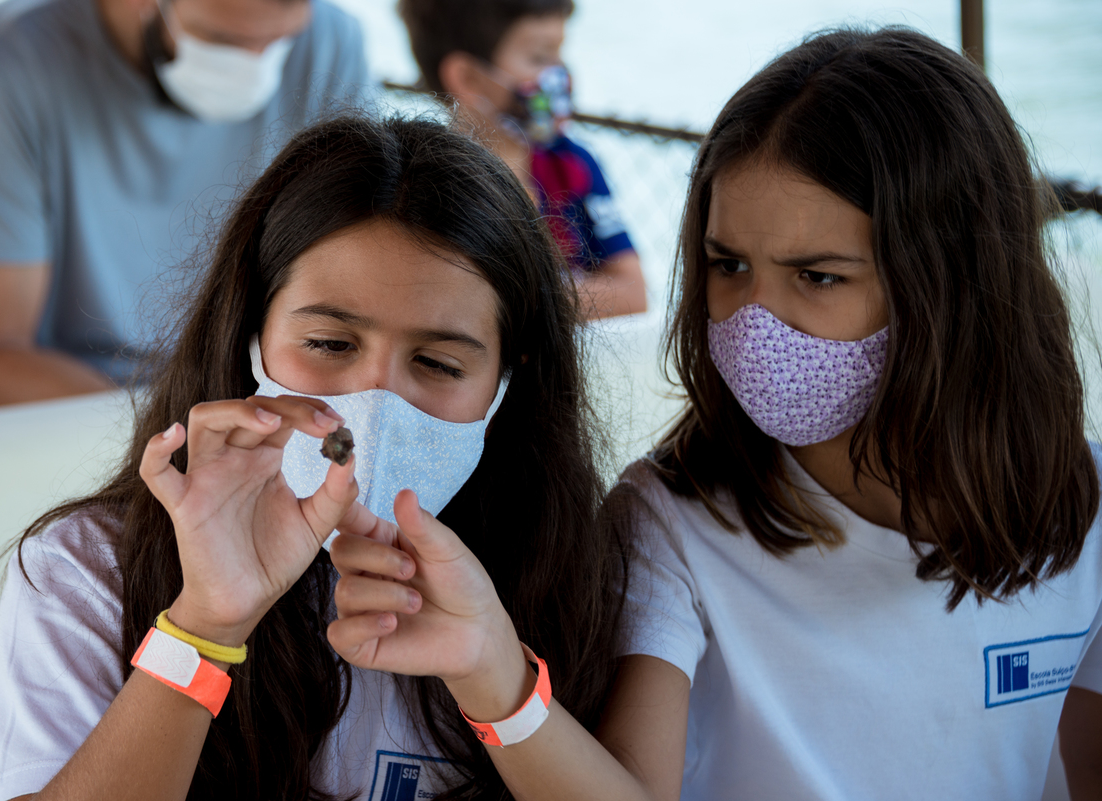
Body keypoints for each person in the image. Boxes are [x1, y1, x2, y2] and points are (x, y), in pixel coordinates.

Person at [326, 28, 1102, 800]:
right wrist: (497, 677)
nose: (755, 321)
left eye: (818, 276)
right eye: (728, 265)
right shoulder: (673, 518)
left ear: (951, 282)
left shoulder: (1088, 508)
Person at [0, 115, 629, 801]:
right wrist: (206, 622)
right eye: (328, 344)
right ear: (252, 333)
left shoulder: (576, 572)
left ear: (507, 381)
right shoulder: (88, 570)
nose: (374, 401)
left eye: (438, 363)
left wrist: (504, 684)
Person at [0, 0, 368, 411]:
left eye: (276, 43)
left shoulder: (330, 45)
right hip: (64, 419)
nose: (253, 67)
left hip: (234, 404)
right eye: (222, 41)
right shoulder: (3, 68)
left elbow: (355, 291)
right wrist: (174, 436)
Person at [397, 0, 646, 320]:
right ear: (468, 78)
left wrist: (513, 304)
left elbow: (634, 291)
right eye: (540, 57)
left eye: (559, 54)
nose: (559, 74)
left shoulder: (573, 164)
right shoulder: (424, 183)